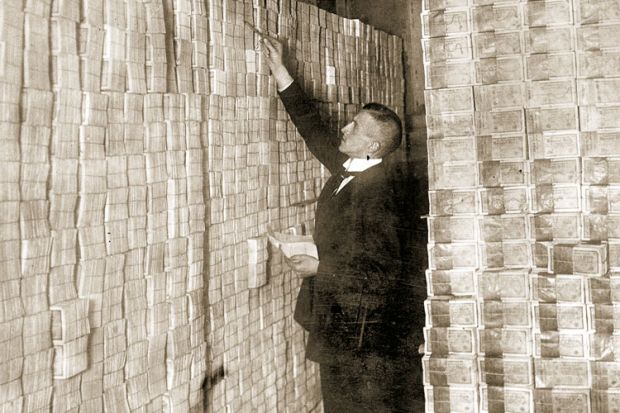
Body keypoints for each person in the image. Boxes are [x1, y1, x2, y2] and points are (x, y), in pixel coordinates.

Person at [262, 36, 427, 412]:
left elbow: (382, 274)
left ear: (372, 147)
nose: (344, 129)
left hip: (364, 339)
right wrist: (282, 73)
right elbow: (315, 132)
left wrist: (321, 266)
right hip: (343, 328)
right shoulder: (351, 171)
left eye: (353, 127)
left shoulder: (380, 192)